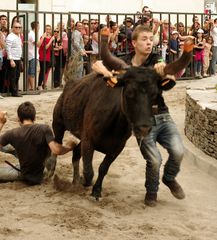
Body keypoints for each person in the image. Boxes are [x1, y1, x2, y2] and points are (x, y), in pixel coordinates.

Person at [92, 25, 185, 207]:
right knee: (155, 160)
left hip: (163, 115)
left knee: (178, 152)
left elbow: (170, 75)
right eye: (144, 39)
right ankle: (152, 192)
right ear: (134, 43)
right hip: (143, 121)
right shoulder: (124, 62)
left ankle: (169, 177)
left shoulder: (156, 60)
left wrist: (165, 71)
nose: (149, 42)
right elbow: (97, 64)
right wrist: (105, 72)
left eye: (151, 39)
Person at [0, 101, 77, 185]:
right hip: (43, 172)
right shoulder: (44, 129)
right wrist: (69, 147)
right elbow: (56, 150)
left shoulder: (12, 133)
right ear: (34, 117)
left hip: (25, 174)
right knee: (11, 147)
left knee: (9, 146)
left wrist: (1, 123)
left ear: (18, 119)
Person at [5, 21, 23, 97]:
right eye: (16, 27)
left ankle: (15, 90)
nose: (18, 28)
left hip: (18, 58)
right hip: (13, 59)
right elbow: (8, 49)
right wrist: (11, 60)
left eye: (19, 27)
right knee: (13, 76)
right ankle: (14, 92)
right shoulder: (10, 36)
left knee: (17, 75)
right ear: (12, 28)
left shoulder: (18, 36)